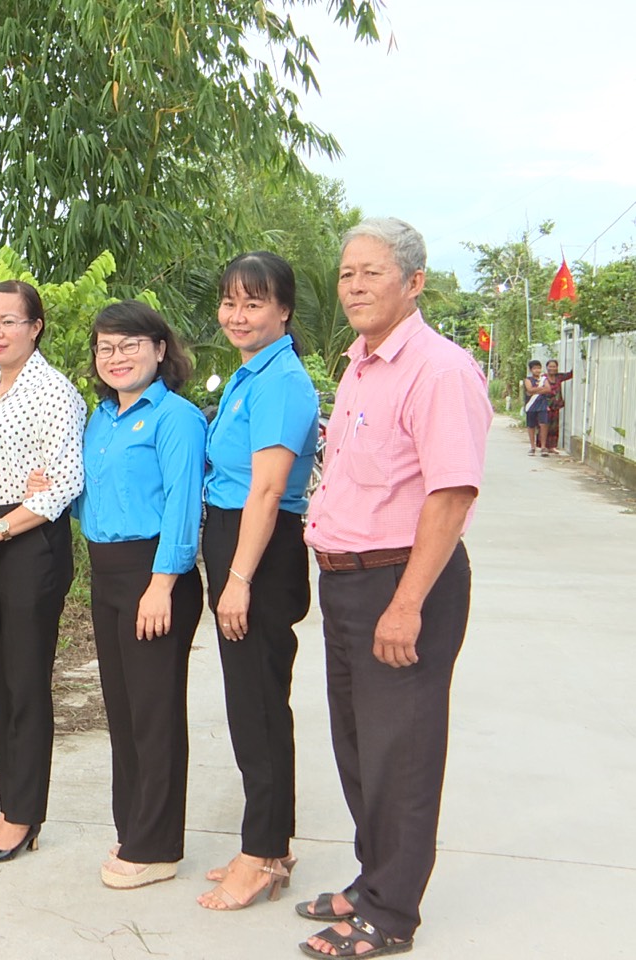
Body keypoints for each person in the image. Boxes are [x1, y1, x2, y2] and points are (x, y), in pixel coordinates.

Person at [298, 218, 490, 959]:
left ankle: (390, 914)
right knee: (357, 746)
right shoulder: (357, 366)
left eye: (371, 272)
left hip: (403, 581)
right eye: (346, 273)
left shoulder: (437, 370)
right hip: (346, 582)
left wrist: (406, 603)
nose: (353, 286)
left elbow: (448, 496)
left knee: (400, 753)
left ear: (412, 283)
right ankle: (371, 878)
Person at [0, 280, 86, 863]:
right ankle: (10, 805)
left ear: (36, 327)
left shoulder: (55, 392)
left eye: (8, 321)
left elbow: (63, 484)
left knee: (25, 683)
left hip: (28, 546)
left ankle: (25, 817)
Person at [197, 253, 319, 910]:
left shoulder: (280, 381)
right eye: (229, 302)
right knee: (252, 700)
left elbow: (268, 488)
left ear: (283, 311)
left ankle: (264, 852)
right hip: (237, 539)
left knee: (259, 704)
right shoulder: (252, 374)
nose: (237, 315)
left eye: (253, 303)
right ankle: (265, 843)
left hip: (259, 551)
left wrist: (237, 578)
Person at [73, 301, 206, 890]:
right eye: (106, 347)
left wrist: (162, 584)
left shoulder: (175, 417)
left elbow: (182, 505)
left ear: (159, 349)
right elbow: (90, 494)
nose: (116, 357)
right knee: (123, 715)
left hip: (155, 576)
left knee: (154, 715)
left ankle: (158, 847)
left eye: (130, 345)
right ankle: (134, 830)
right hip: (107, 576)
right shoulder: (100, 419)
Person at [521, 359, 550, 456]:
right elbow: (529, 389)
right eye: (535, 368)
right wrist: (541, 389)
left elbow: (548, 389)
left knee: (543, 424)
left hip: (542, 404)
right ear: (531, 370)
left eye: (539, 368)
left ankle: (543, 447)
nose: (537, 370)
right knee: (531, 425)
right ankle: (532, 447)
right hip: (531, 405)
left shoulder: (544, 379)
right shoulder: (528, 380)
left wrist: (535, 390)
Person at [545, 358, 568, 451]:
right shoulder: (543, 378)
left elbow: (571, 374)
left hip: (556, 406)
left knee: (554, 427)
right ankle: (543, 446)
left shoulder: (559, 377)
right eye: (550, 366)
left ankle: (552, 446)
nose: (552, 368)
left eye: (554, 366)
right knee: (544, 425)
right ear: (547, 367)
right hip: (545, 405)